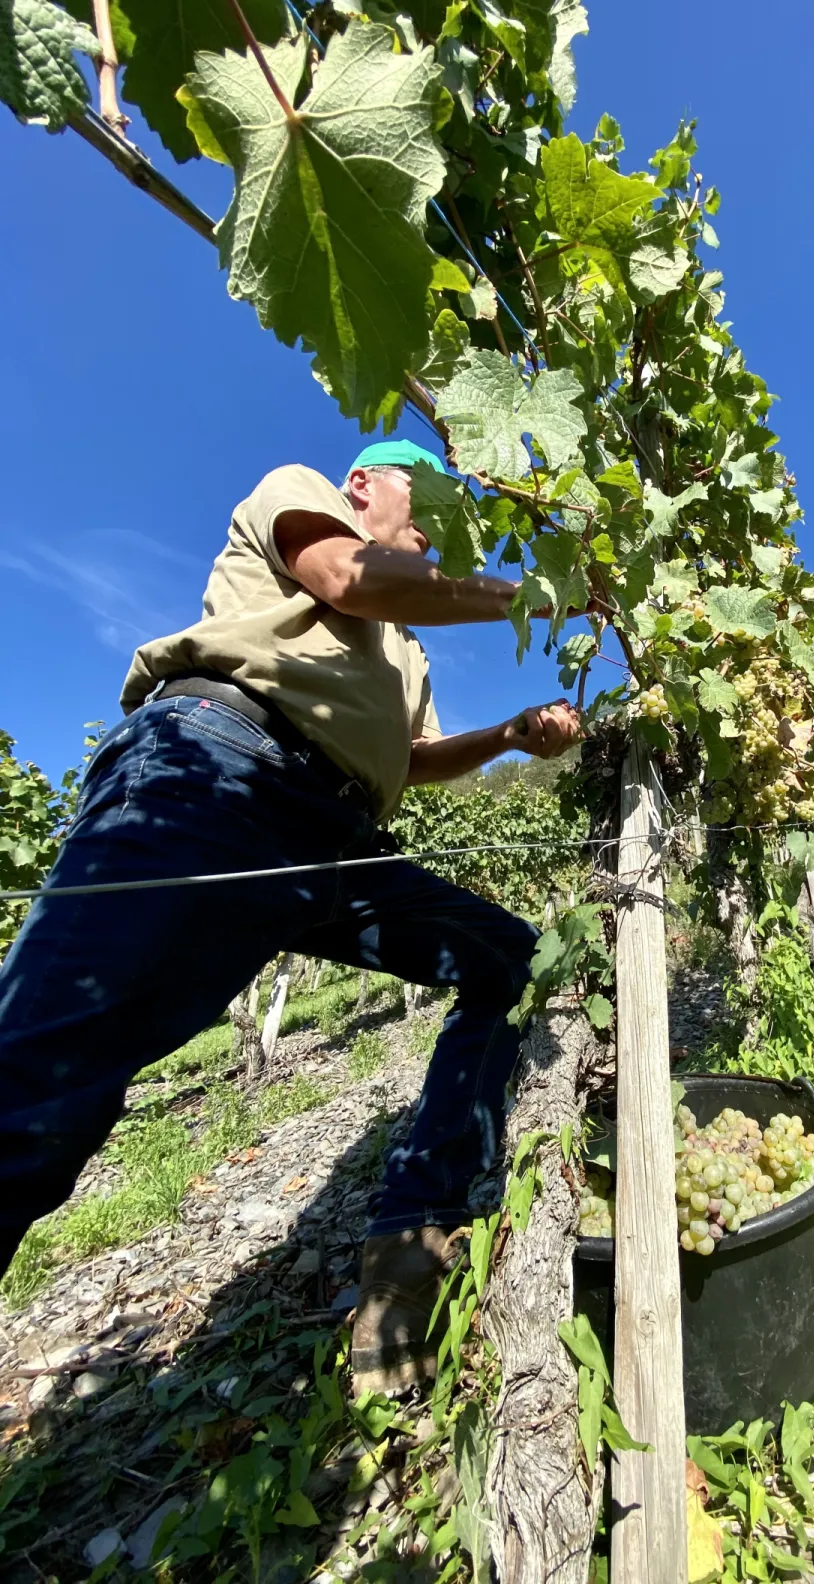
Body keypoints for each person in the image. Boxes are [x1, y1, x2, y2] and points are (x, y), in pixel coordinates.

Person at [0, 440, 583, 1392]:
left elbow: (414, 757)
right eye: (423, 500)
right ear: (365, 484)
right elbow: (349, 580)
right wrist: (533, 593)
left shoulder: (409, 649)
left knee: (508, 960)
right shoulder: (301, 493)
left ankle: (407, 1247)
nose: (437, 525)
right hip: (215, 766)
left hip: (336, 830)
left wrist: (512, 734)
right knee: (35, 1083)